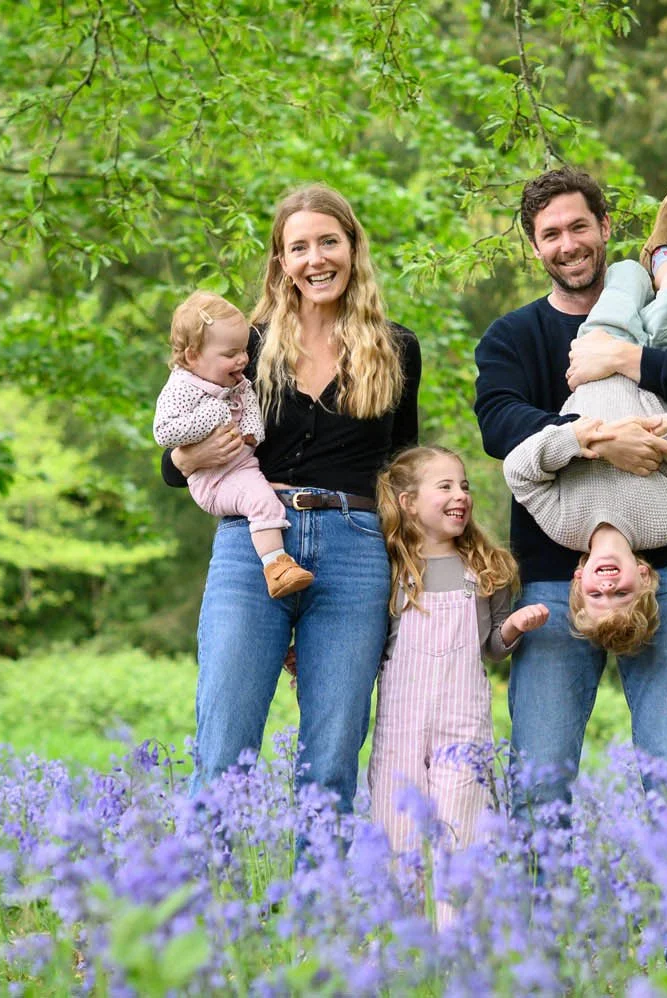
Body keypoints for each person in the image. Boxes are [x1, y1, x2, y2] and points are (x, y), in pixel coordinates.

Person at [474, 168, 667, 822]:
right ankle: (542, 918)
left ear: (603, 228)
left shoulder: (662, 324)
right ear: (534, 248)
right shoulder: (513, 336)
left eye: (578, 227)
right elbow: (500, 425)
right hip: (550, 576)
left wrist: (625, 363)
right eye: (550, 234)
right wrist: (601, 439)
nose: (567, 243)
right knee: (541, 776)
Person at [162, 184, 422, 815]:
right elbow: (175, 453)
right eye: (298, 246)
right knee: (223, 745)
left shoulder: (397, 347)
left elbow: (399, 468)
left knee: (331, 756)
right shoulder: (243, 344)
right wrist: (185, 458)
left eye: (328, 241)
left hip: (356, 554)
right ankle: (206, 906)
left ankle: (319, 910)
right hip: (252, 548)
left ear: (353, 248)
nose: (316, 259)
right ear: (280, 261)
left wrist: (420, 564)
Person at [501, 205, 667, 655]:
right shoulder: (662, 529)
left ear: (578, 579)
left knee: (621, 280)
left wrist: (582, 439)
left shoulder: (564, 527)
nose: (609, 585)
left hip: (596, 364)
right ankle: (663, 257)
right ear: (646, 575)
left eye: (597, 595)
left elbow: (519, 472)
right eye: (623, 593)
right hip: (661, 385)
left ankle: (643, 263)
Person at [368, 446, 549, 855]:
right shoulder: (389, 565)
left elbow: (493, 648)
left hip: (463, 722)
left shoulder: (487, 567)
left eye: (464, 486)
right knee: (398, 834)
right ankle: (403, 918)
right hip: (401, 723)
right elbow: (368, 643)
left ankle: (456, 920)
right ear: (408, 503)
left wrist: (515, 626)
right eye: (445, 486)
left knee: (461, 831)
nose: (461, 495)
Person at [153, 290, 314, 598]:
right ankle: (276, 567)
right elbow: (165, 433)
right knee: (261, 501)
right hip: (216, 479)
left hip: (242, 466)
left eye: (243, 350)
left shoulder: (234, 379)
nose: (242, 359)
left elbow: (249, 399)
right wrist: (210, 416)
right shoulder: (183, 388)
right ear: (192, 357)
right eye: (231, 354)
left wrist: (253, 430)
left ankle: (278, 565)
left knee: (259, 496)